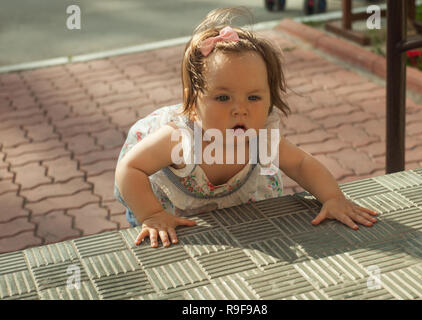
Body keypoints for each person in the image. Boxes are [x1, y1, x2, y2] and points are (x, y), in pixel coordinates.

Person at [114, 7, 378, 248]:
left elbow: (301, 164)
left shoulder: (260, 136)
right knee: (158, 236)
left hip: (230, 203)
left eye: (253, 98)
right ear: (193, 102)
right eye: (223, 97)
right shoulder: (179, 138)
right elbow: (130, 168)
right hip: (163, 205)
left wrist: (332, 197)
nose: (240, 109)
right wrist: (151, 214)